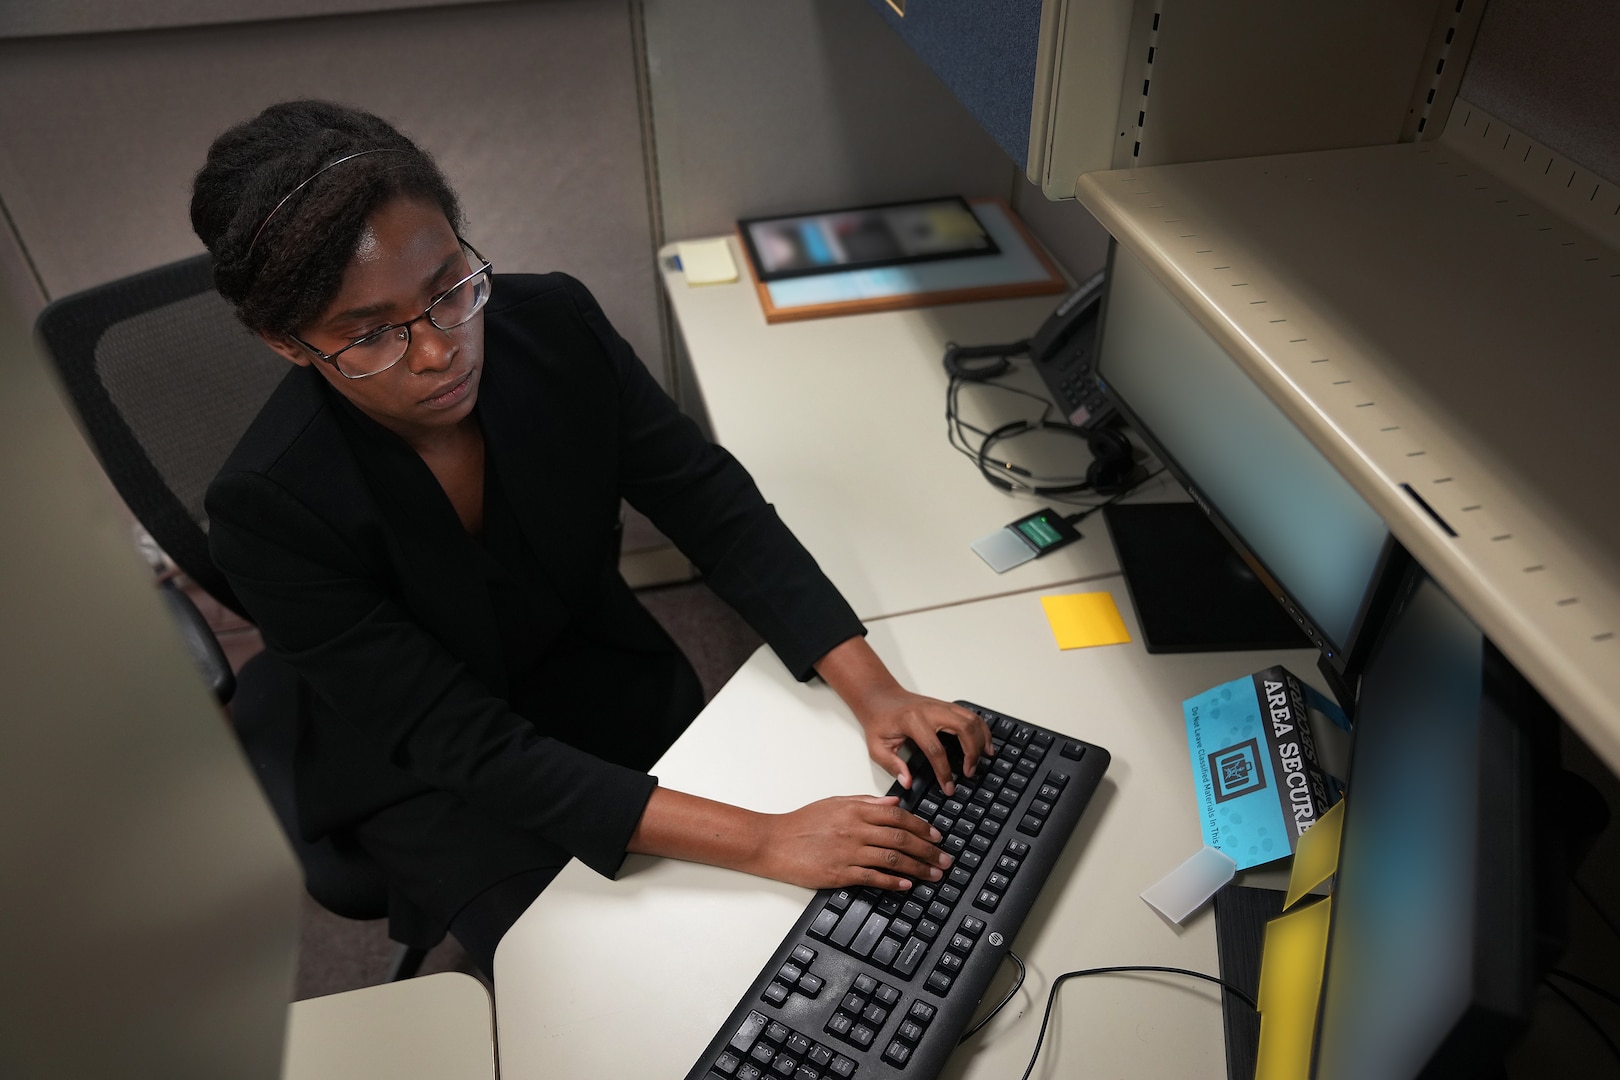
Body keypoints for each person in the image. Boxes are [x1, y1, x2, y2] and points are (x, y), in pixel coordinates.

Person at [193, 100, 991, 977]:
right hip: (428, 764)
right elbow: (462, 745)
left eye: (450, 289)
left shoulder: (556, 329)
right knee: (619, 976)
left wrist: (874, 692)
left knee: (781, 927)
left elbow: (709, 505)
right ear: (288, 344)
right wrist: (764, 840)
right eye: (373, 334)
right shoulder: (266, 506)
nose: (438, 352)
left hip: (582, 659)